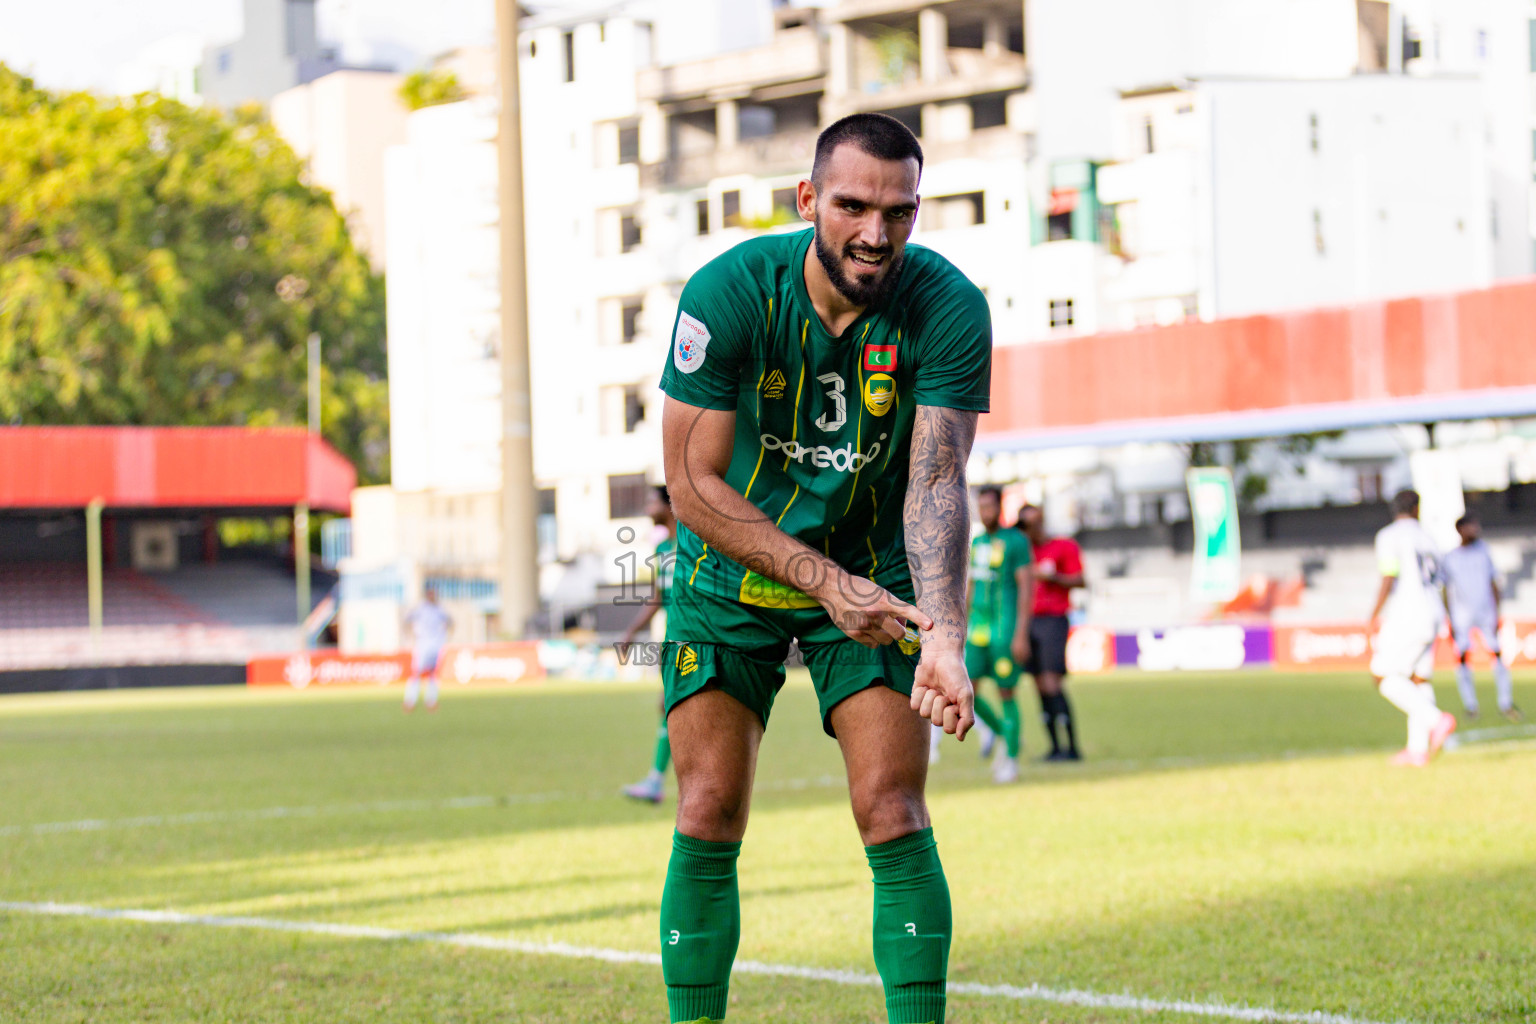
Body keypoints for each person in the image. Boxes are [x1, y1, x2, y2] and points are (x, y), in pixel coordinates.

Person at [657, 112, 988, 1024]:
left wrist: (945, 637)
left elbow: (937, 481)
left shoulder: (949, 307)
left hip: (875, 569)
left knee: (892, 808)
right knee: (708, 806)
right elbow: (691, 484)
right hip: (731, 569)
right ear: (808, 199)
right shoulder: (729, 292)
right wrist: (823, 586)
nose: (875, 234)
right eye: (852, 206)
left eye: (898, 212)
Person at [937, 485, 1032, 783]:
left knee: (1006, 693)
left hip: (1004, 632)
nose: (985, 511)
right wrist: (959, 627)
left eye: (990, 505)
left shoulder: (1016, 541)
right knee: (967, 692)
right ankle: (1005, 734)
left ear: (1000, 507)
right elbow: (969, 588)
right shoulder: (977, 542)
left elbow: (1026, 588)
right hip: (977, 632)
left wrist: (1021, 634)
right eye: (981, 506)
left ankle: (1011, 761)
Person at [1368, 489, 1457, 766]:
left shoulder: (1390, 536)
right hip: (1434, 612)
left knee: (1382, 675)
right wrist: (1448, 616)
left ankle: (1436, 720)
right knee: (1419, 678)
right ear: (1417, 508)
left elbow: (1389, 575)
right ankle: (1417, 750)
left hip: (1408, 612)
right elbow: (1443, 583)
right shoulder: (1429, 538)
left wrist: (1373, 614)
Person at [622, 486, 679, 803]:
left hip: (691, 635)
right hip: (671, 637)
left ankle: (659, 780)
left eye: (651, 502)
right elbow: (657, 598)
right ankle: (658, 779)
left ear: (669, 504)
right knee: (669, 705)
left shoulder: (692, 543)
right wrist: (631, 631)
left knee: (672, 704)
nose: (647, 508)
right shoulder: (662, 548)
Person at [1017, 504, 1084, 761]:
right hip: (1027, 621)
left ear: (1041, 521)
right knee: (1038, 684)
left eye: (1032, 523)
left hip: (1053, 620)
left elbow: (1080, 579)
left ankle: (1072, 747)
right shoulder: (1021, 552)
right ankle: (1055, 747)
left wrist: (1052, 577)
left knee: (1051, 682)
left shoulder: (1063, 546)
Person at [1440, 513, 1522, 722]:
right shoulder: (1450, 557)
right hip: (1461, 616)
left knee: (1497, 654)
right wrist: (1449, 617)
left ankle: (1505, 702)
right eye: (1471, 526)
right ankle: (1470, 705)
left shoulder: (1484, 551)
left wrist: (1497, 612)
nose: (1475, 530)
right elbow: (1445, 589)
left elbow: (1494, 582)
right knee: (1463, 658)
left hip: (1486, 613)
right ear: (1460, 530)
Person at [402, 587, 451, 712]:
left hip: (436, 645)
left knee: (432, 673)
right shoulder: (420, 608)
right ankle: (410, 701)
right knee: (416, 672)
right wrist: (410, 635)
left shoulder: (440, 609)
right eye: (430, 594)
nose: (432, 596)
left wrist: (445, 635)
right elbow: (407, 619)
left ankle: (431, 701)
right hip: (423, 644)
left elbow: (450, 621)